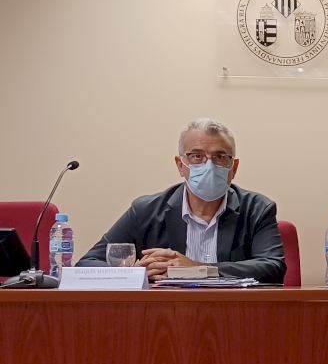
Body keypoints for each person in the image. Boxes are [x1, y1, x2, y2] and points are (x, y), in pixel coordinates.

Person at [77, 118, 285, 283]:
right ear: (180, 165)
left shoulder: (258, 208)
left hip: (233, 314)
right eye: (196, 156)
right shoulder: (146, 210)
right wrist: (133, 274)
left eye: (220, 157)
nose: (209, 165)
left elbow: (273, 267)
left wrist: (198, 269)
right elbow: (87, 264)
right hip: (165, 315)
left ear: (234, 167)